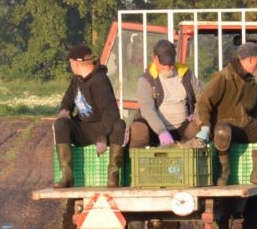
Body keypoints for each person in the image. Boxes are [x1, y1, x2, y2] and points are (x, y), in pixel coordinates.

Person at [191, 41, 257, 185]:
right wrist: (205, 127)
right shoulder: (223, 77)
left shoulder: (252, 82)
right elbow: (204, 103)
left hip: (247, 126)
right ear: (250, 59)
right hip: (225, 128)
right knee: (223, 130)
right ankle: (224, 171)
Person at [53, 43, 124, 188]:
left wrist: (102, 136)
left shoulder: (100, 81)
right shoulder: (76, 80)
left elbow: (111, 113)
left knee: (119, 125)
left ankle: (113, 176)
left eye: (70, 63)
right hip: (83, 129)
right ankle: (67, 176)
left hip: (102, 128)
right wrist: (64, 110)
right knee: (61, 124)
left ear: (76, 64)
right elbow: (67, 101)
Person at [127, 39, 200, 149]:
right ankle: (139, 163)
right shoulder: (146, 80)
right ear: (155, 58)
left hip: (184, 128)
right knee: (138, 130)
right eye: (164, 64)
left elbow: (202, 98)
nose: (167, 68)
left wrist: (197, 113)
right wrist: (161, 131)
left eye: (170, 64)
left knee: (197, 126)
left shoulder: (187, 75)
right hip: (156, 130)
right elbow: (147, 109)